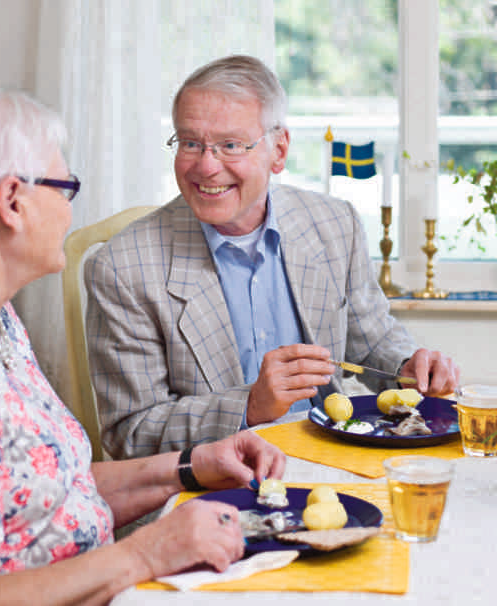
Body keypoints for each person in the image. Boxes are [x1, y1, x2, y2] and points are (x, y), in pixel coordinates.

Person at [0, 83, 287, 605]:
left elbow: (55, 491)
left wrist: (191, 465)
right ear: (12, 201)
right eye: (65, 189)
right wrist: (145, 553)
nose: (68, 211)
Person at [85, 54, 460, 460]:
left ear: (278, 149)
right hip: (211, 491)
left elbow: (373, 342)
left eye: (230, 145)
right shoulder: (122, 268)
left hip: (334, 464)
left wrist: (408, 367)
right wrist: (249, 405)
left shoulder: (336, 224)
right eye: (191, 143)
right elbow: (131, 433)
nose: (206, 167)